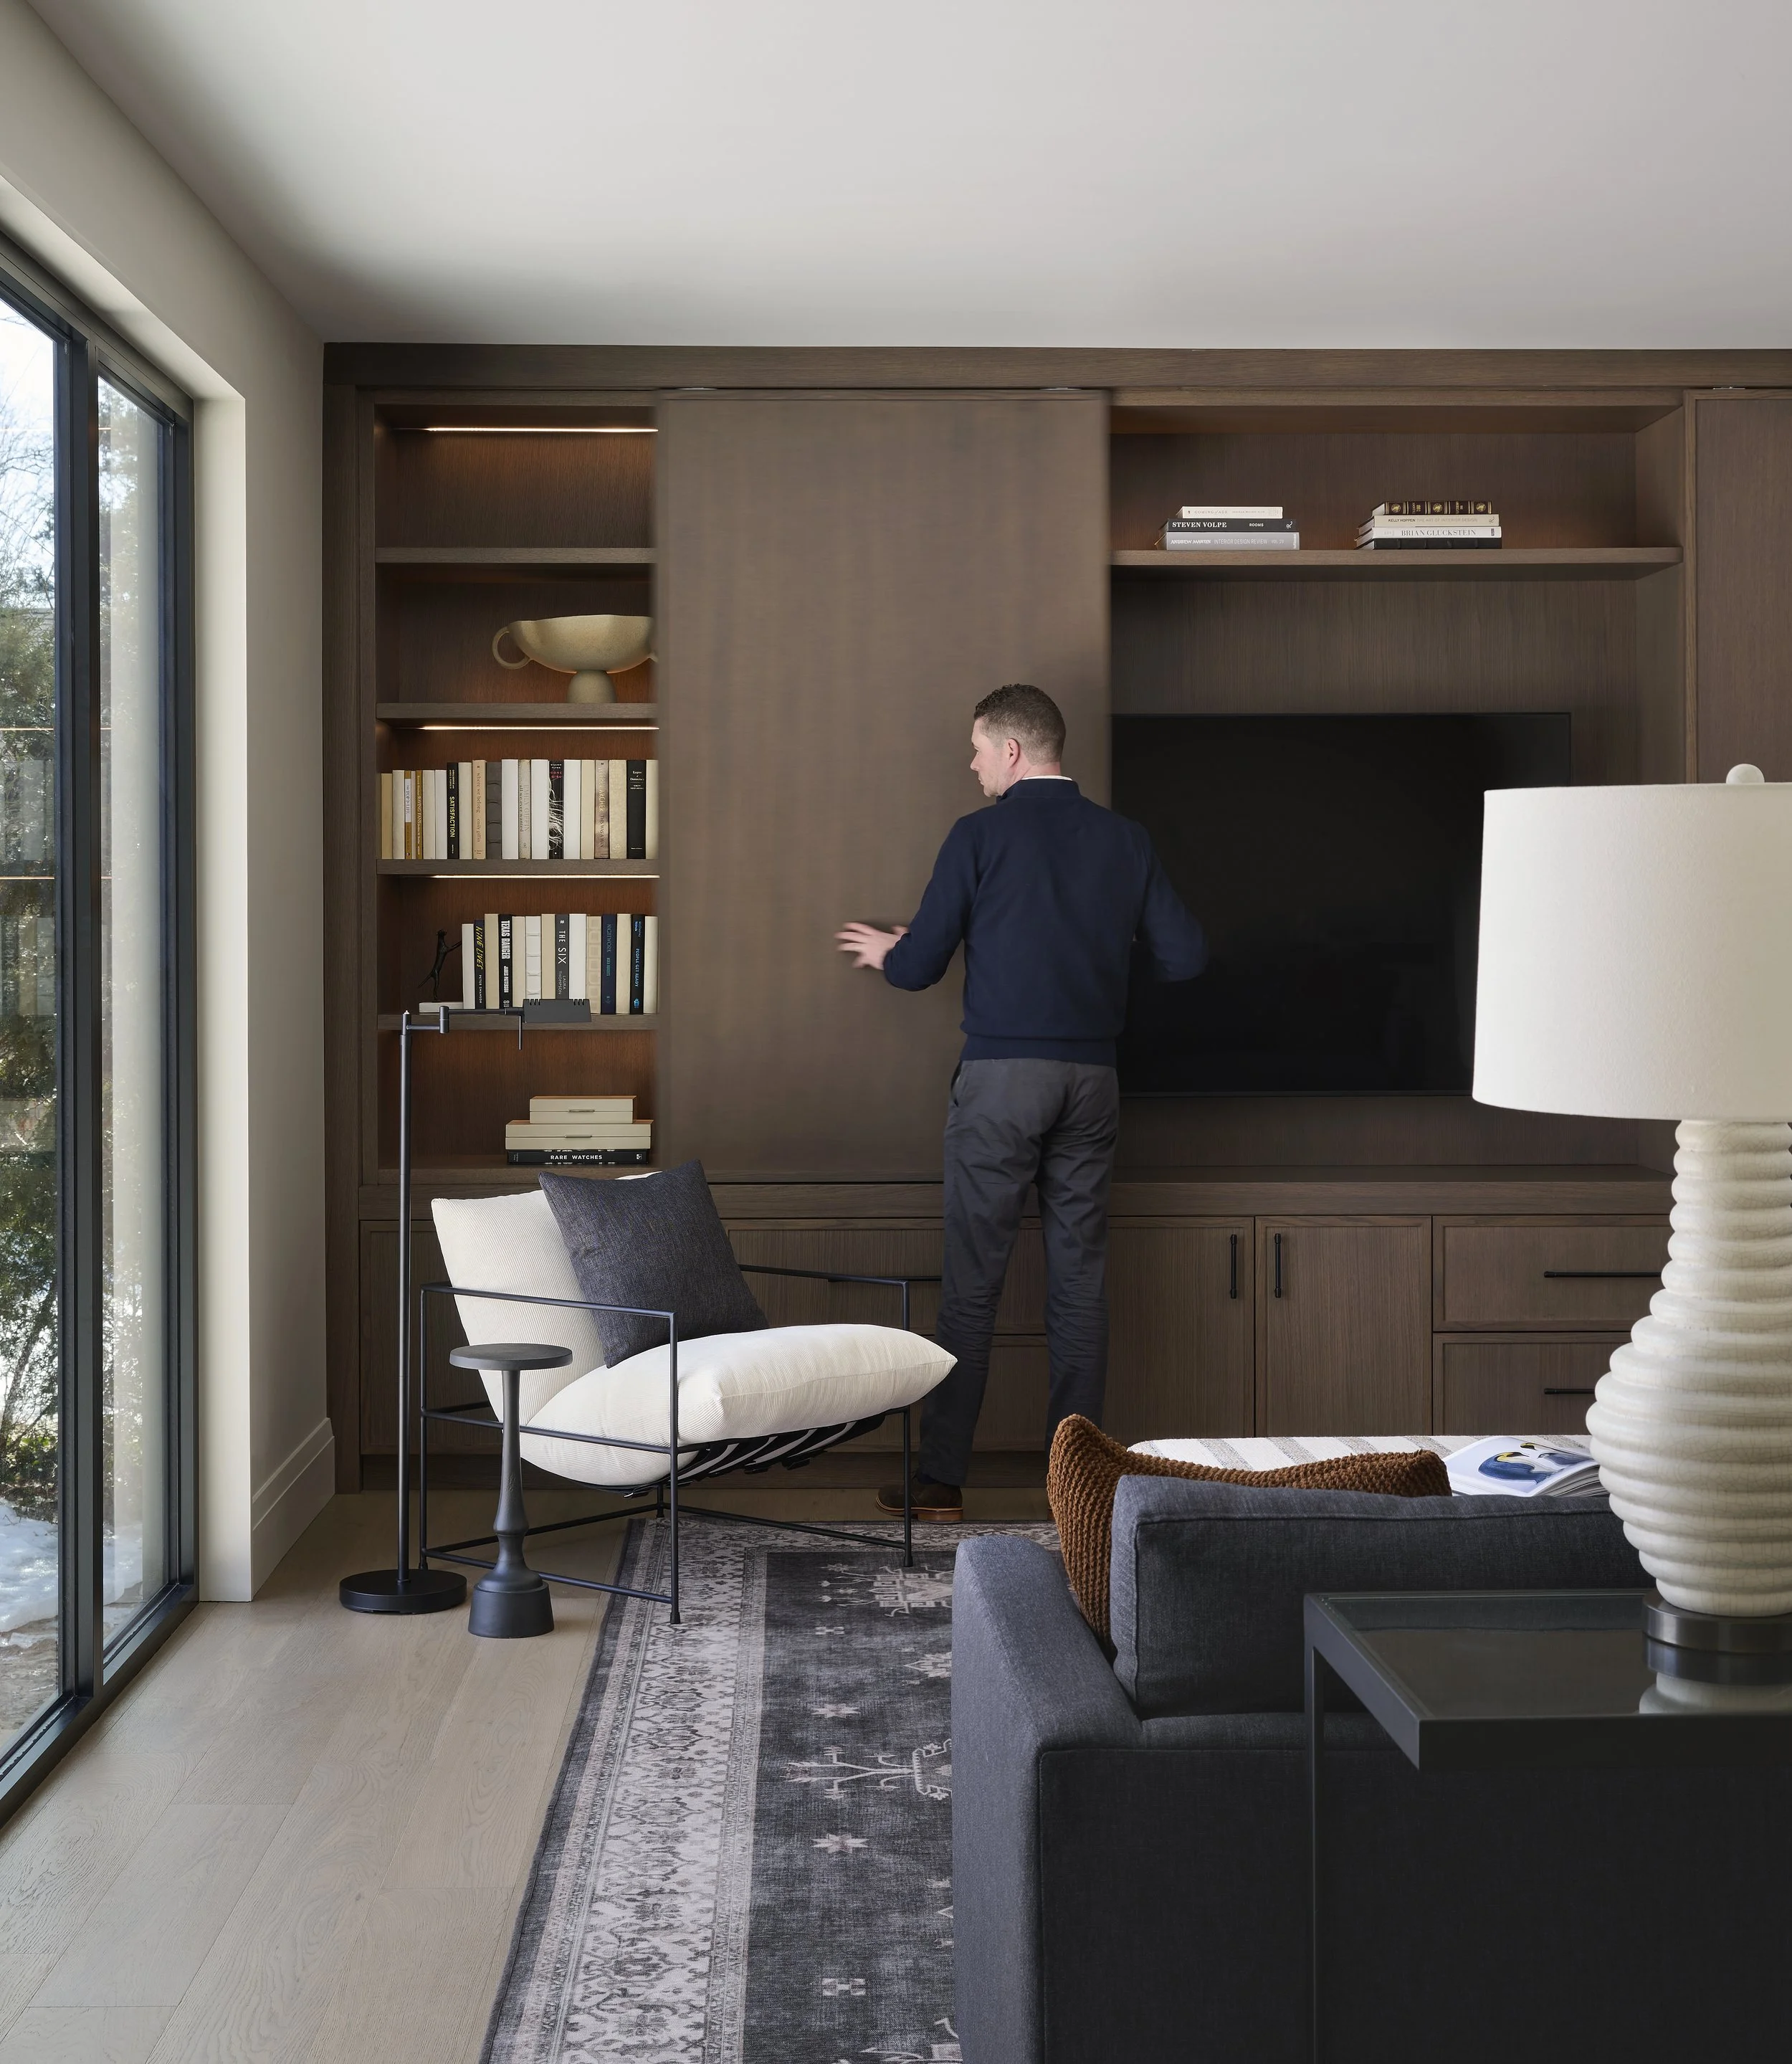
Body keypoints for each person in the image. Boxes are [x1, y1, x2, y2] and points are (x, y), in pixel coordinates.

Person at [836, 683, 1207, 1521]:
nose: (969, 763)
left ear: (1011, 749)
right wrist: (1094, 967)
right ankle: (1079, 1484)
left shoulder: (979, 835)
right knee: (1078, 1282)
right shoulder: (1124, 838)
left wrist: (893, 952)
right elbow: (1185, 957)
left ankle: (939, 1479)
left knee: (974, 1282)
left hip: (1003, 1079)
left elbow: (919, 966)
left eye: (976, 747)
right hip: (1093, 1080)